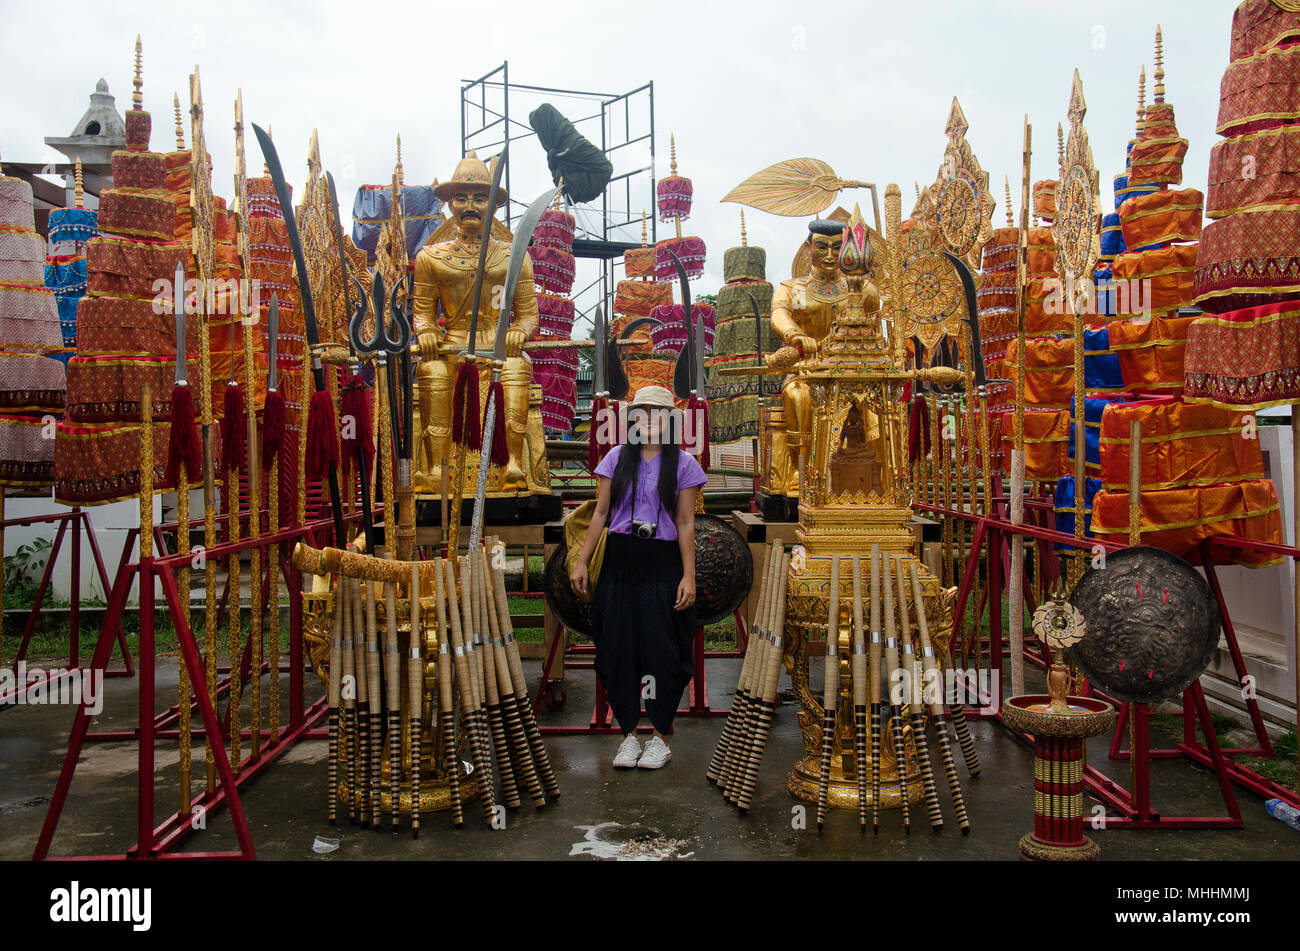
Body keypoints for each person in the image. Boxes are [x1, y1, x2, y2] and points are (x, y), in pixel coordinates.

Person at [570, 385, 709, 769]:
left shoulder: (683, 465)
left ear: (669, 421)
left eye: (657, 414)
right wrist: (582, 562)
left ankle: (660, 736)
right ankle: (628, 734)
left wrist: (689, 576)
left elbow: (684, 522)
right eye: (642, 413)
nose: (649, 420)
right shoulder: (616, 458)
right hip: (620, 561)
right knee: (618, 649)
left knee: (663, 649)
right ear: (632, 420)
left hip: (663, 563)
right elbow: (599, 514)